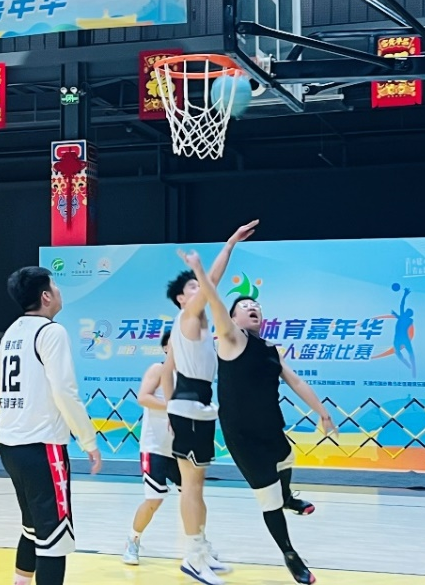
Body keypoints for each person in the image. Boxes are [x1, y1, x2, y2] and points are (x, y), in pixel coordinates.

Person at [184, 237, 335, 585]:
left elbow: (295, 381)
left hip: (271, 428)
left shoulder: (269, 348)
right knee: (268, 499)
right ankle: (290, 555)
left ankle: (288, 497)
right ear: (233, 318)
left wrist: (322, 411)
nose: (253, 308)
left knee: (286, 458)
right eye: (245, 305)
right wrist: (219, 254)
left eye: (257, 306)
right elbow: (214, 300)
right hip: (243, 435)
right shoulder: (231, 339)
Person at [0, 266, 103, 585]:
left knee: (32, 528)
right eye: (55, 285)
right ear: (45, 296)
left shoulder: (13, 331)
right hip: (42, 447)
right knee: (55, 537)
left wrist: (16, 419)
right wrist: (88, 440)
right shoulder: (51, 331)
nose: (59, 291)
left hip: (10, 445)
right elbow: (65, 391)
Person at [165, 222, 258, 584]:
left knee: (197, 486)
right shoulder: (187, 317)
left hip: (198, 407)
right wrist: (229, 244)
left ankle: (201, 548)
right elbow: (212, 282)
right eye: (193, 287)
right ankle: (192, 556)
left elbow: (169, 371)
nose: (200, 288)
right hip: (189, 407)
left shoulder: (201, 326)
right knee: (190, 487)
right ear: (181, 299)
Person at [121, 329, 179, 565]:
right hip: (155, 447)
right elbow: (143, 397)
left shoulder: (190, 375)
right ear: (165, 347)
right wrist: (172, 407)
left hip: (181, 448)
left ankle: (199, 546)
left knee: (193, 498)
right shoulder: (158, 369)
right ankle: (132, 540)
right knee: (154, 499)